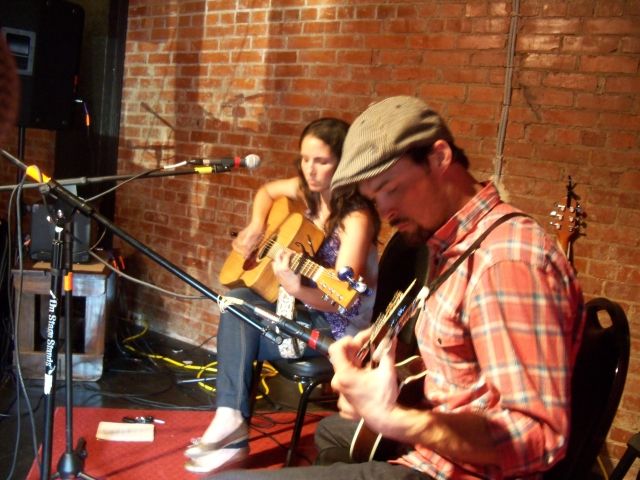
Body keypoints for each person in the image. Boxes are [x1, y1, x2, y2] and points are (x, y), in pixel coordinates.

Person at [207, 96, 585, 480]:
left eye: (391, 189)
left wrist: (394, 418)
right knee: (332, 433)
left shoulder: (505, 262)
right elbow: (468, 366)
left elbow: (536, 436)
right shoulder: (452, 243)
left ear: (439, 158)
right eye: (375, 198)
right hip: (435, 443)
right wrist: (389, 355)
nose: (386, 211)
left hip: (451, 472)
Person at [185, 117, 380, 474]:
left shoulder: (356, 218)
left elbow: (343, 299)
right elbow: (266, 192)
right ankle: (230, 420)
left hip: (337, 328)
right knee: (237, 300)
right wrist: (257, 225)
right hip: (302, 307)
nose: (310, 169)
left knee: (238, 326)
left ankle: (232, 427)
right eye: (305, 159)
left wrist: (295, 287)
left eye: (321, 161)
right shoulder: (308, 192)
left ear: (344, 164)